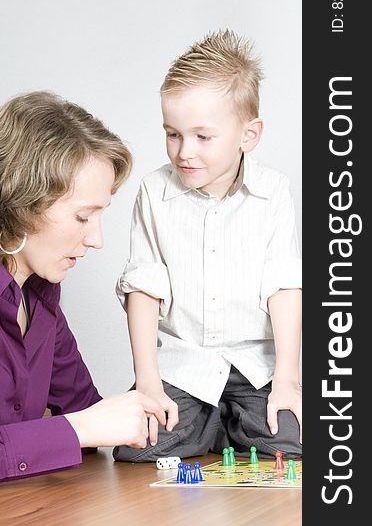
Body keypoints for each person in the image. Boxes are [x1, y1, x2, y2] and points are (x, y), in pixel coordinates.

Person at [0, 91, 166, 493]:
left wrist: (142, 409)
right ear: (21, 204)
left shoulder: (39, 295)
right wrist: (78, 428)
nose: (97, 239)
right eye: (83, 216)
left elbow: (86, 413)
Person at [114, 29, 302, 462]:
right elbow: (143, 288)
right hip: (185, 369)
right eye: (172, 134)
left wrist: (287, 379)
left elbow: (284, 287)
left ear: (248, 135)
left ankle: (228, 420)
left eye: (203, 136)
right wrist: (147, 381)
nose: (184, 152)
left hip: (255, 370)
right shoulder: (153, 192)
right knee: (137, 447)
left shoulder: (273, 193)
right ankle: (210, 423)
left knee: (293, 442)